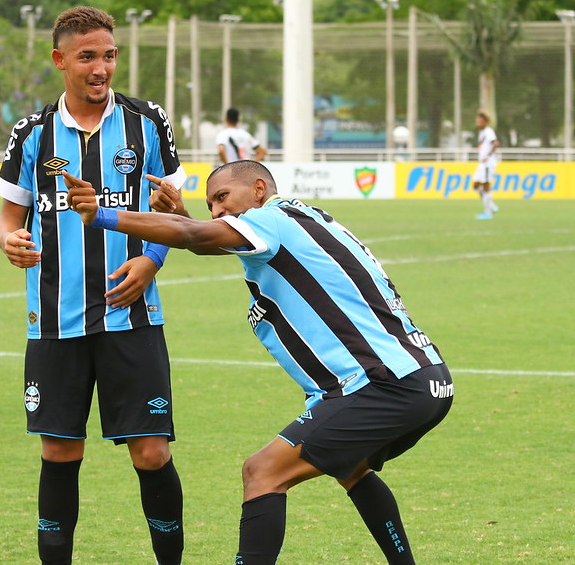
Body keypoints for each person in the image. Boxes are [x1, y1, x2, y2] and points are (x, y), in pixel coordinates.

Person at [66, 160, 454, 565]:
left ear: (258, 188)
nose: (217, 210)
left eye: (222, 197)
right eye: (210, 205)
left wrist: (101, 215)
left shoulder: (270, 220)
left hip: (384, 384)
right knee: (351, 468)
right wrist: (181, 216)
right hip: (422, 377)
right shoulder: (296, 218)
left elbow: (193, 234)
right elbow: (201, 237)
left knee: (262, 471)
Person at [0, 6, 187, 565]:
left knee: (151, 453)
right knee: (60, 453)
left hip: (133, 316)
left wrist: (151, 261)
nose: (101, 68)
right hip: (55, 318)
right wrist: (10, 241)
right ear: (60, 60)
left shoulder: (147, 122)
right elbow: (8, 219)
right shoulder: (32, 134)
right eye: (87, 57)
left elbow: (174, 213)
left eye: (109, 55)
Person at [473, 110, 499, 219]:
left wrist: (487, 156)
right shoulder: (482, 132)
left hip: (488, 163)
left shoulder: (488, 131)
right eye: (477, 122)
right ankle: (491, 205)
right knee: (475, 185)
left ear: (486, 122)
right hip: (482, 164)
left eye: (480, 122)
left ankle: (488, 213)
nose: (478, 124)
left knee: (485, 186)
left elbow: (495, 143)